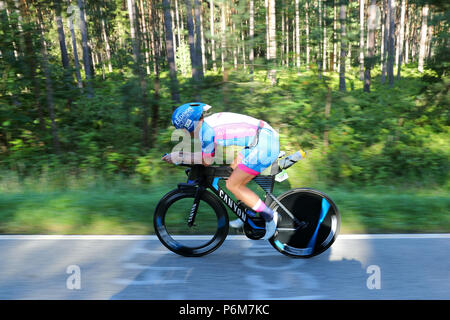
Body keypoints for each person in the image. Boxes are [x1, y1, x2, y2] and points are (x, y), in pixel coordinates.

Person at [162, 102, 280, 240]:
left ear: (189, 124)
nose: (183, 133)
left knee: (233, 184)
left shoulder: (206, 131)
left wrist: (179, 156)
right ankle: (249, 213)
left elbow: (207, 160)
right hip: (260, 139)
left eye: (183, 129)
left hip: (264, 144)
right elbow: (208, 155)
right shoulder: (206, 125)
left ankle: (270, 216)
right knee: (232, 171)